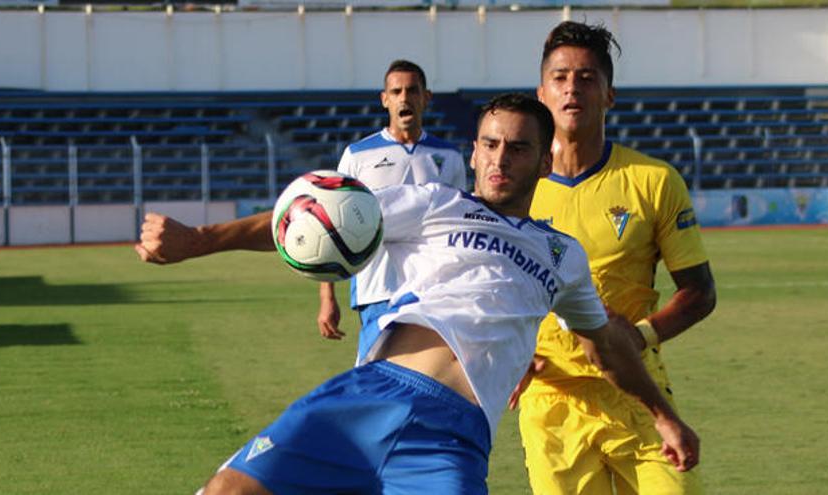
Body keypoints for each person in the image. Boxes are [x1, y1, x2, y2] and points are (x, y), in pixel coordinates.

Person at [197, 94, 700, 495]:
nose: (500, 158)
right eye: (490, 144)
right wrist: (197, 241)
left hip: (451, 437)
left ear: (545, 162)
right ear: (475, 152)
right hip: (370, 395)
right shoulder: (434, 203)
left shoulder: (561, 254)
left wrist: (665, 417)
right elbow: (316, 216)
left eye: (518, 148)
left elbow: (606, 346)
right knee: (228, 490)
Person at [135, 59, 466, 363]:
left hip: (431, 292)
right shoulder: (359, 154)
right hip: (375, 290)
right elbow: (326, 221)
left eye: (412, 91)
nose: (404, 98)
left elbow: (458, 231)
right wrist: (327, 296)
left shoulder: (448, 156)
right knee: (378, 385)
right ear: (384, 99)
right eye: (396, 91)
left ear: (427, 97)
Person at [509, 22, 717, 495]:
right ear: (542, 93)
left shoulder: (654, 180)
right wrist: (507, 351)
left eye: (587, 78)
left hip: (638, 393)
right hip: (553, 401)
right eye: (560, 77)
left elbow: (700, 292)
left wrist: (641, 336)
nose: (572, 88)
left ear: (609, 95)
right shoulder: (514, 189)